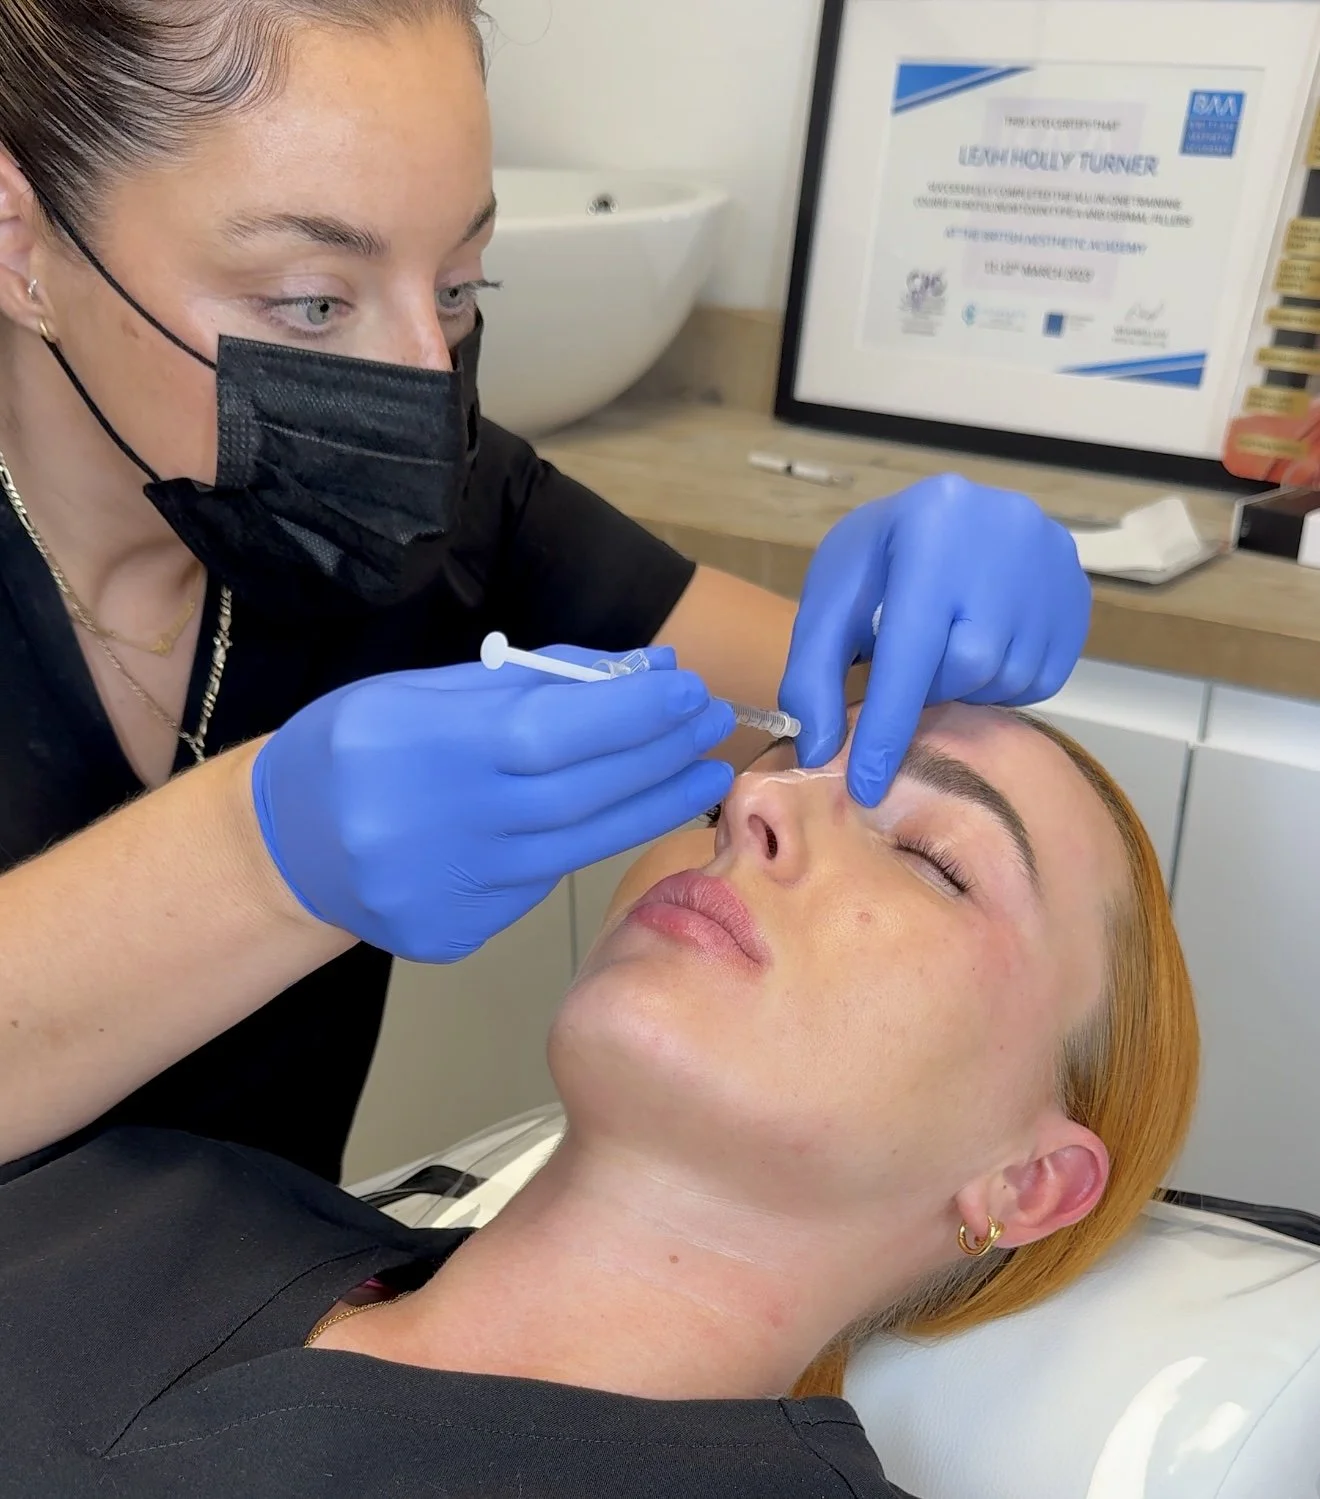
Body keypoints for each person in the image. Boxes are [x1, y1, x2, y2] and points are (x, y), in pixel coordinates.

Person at [0, 0, 1093, 1183]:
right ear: (21, 245)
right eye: (313, 301)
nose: (425, 377)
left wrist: (948, 630)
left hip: (246, 1325)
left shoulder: (443, 506)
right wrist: (255, 859)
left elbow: (859, 734)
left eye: (463, 285)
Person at [0, 705, 1198, 1498]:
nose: (754, 809)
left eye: (934, 856)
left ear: (1027, 1181)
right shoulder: (145, 1184)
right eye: (748, 782)